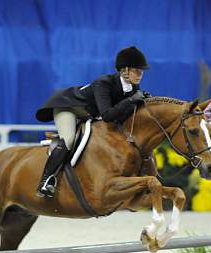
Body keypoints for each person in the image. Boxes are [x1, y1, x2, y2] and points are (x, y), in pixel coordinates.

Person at [34, 46, 150, 198]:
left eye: (141, 71)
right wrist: (130, 101)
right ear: (124, 70)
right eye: (136, 71)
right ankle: (46, 180)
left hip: (88, 115)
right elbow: (108, 115)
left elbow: (122, 115)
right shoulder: (104, 83)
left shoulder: (133, 88)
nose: (140, 75)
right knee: (68, 139)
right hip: (69, 108)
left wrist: (139, 103)